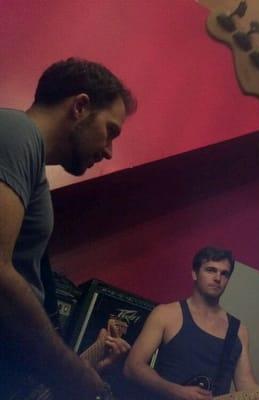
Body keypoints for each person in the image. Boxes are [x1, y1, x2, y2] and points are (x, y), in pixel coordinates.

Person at [0, 57, 136, 399]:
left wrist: (81, 367)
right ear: (80, 106)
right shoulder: (17, 133)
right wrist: (70, 372)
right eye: (110, 131)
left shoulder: (29, 159)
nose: (109, 151)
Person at [124, 246, 259, 400]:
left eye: (224, 273)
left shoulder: (238, 330)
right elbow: (132, 367)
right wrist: (177, 392)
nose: (217, 278)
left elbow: (246, 386)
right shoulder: (166, 314)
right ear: (194, 273)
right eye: (211, 270)